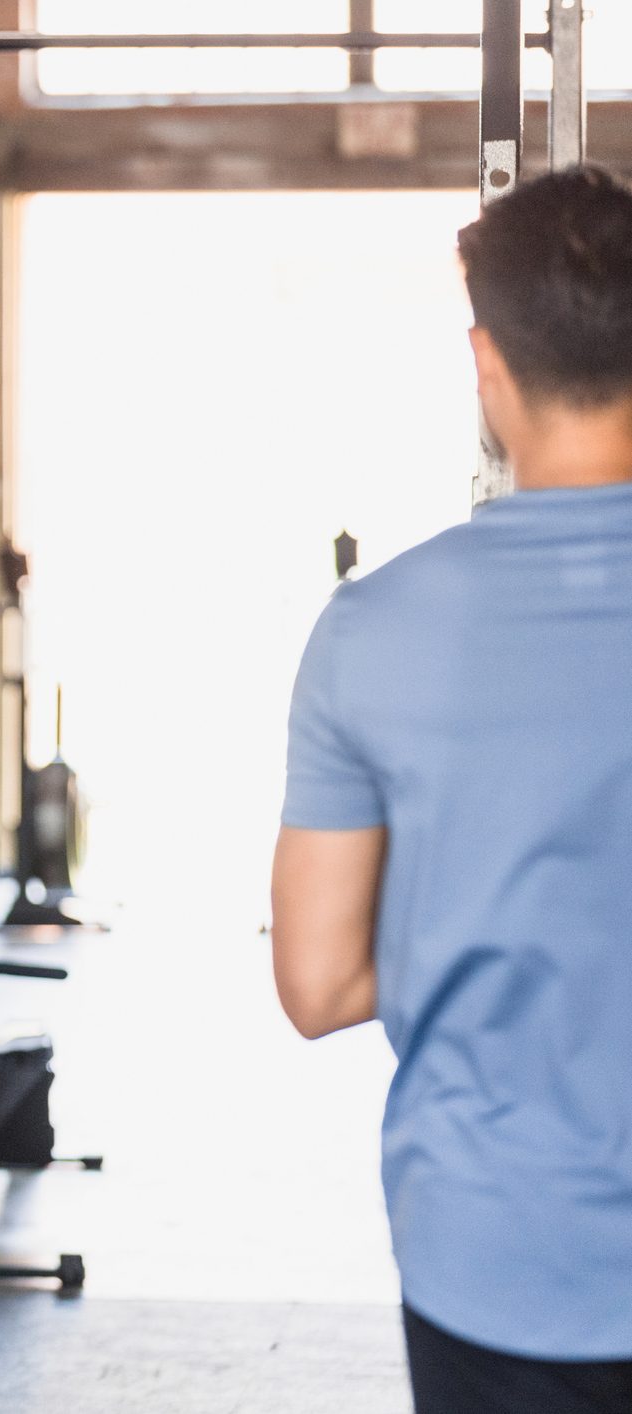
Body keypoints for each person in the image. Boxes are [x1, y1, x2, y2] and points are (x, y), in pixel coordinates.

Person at [272, 167, 632, 1413]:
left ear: (487, 363)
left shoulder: (372, 633)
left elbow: (316, 986)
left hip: (496, 1254)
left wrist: (480, 906)